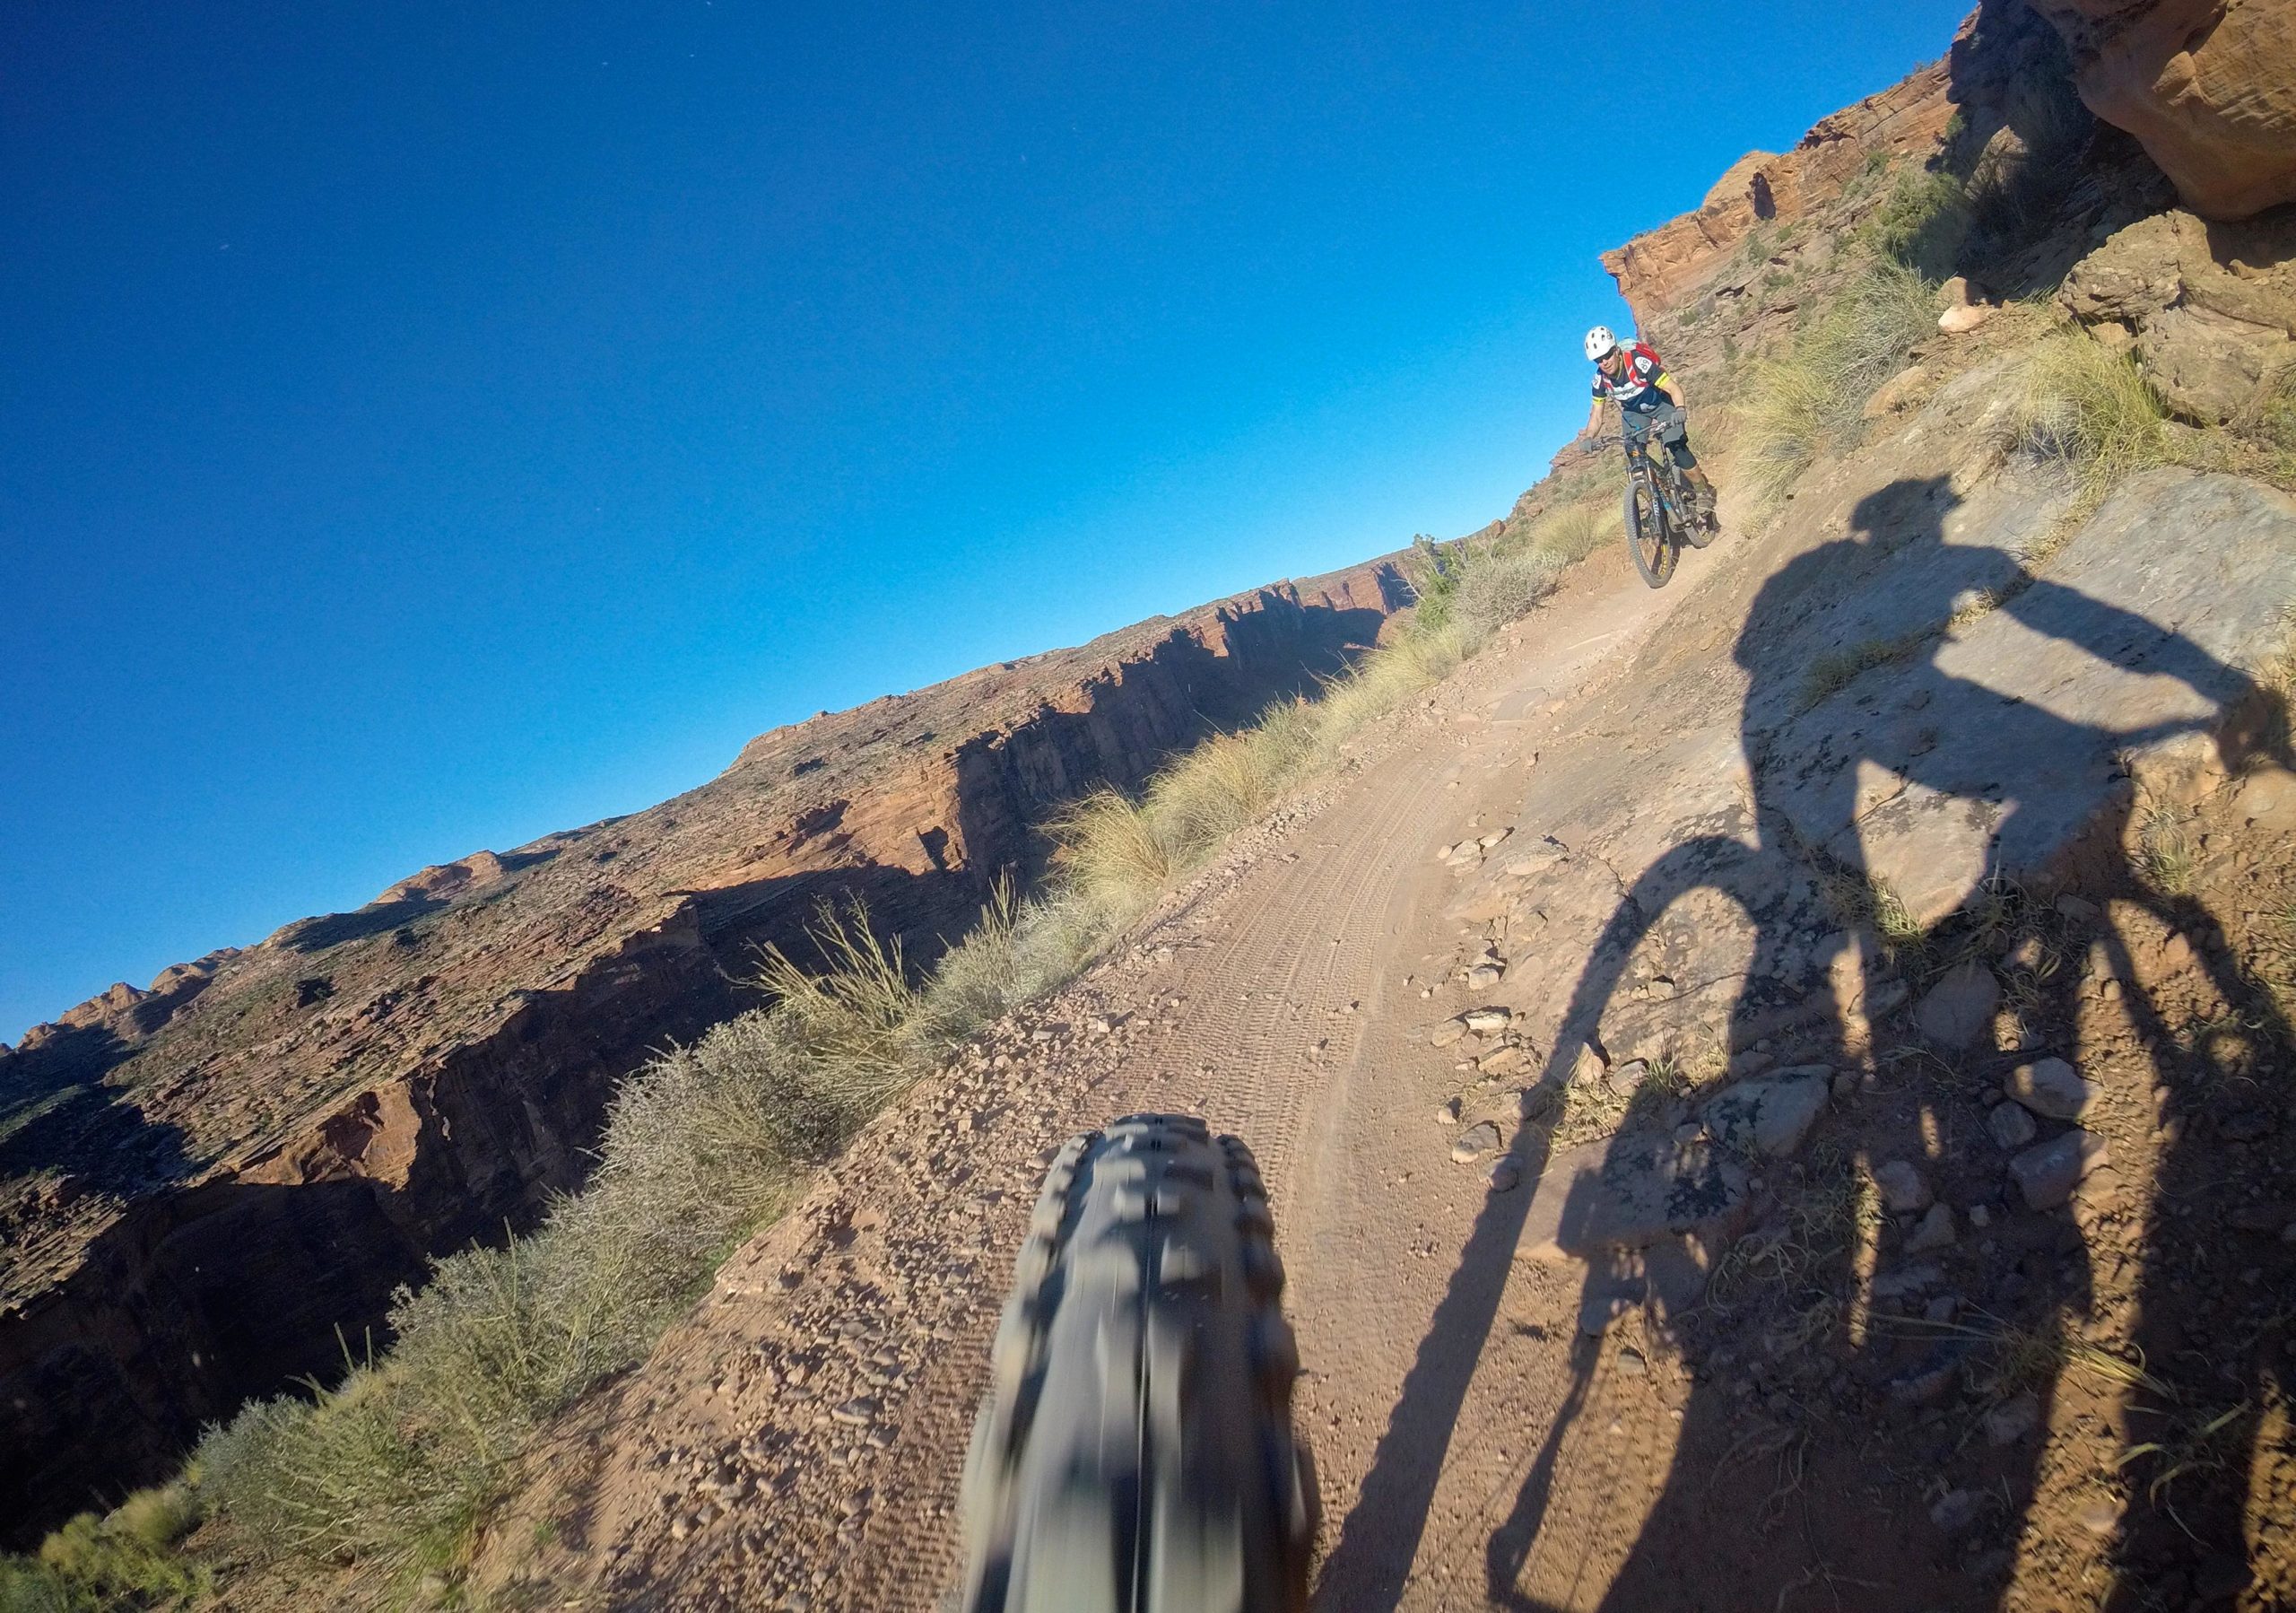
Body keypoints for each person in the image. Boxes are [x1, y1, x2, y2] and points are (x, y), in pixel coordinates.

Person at [1576, 325, 1715, 526]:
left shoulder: (1638, 363)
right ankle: (1657, 502)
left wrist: (1680, 409)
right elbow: (1597, 415)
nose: (1604, 362)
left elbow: (1672, 387)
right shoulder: (1599, 381)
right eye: (1598, 359)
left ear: (1616, 350)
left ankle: (1703, 492)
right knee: (1635, 456)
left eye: (1607, 355)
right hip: (1634, 413)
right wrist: (1588, 437)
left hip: (1661, 403)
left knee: (1676, 446)